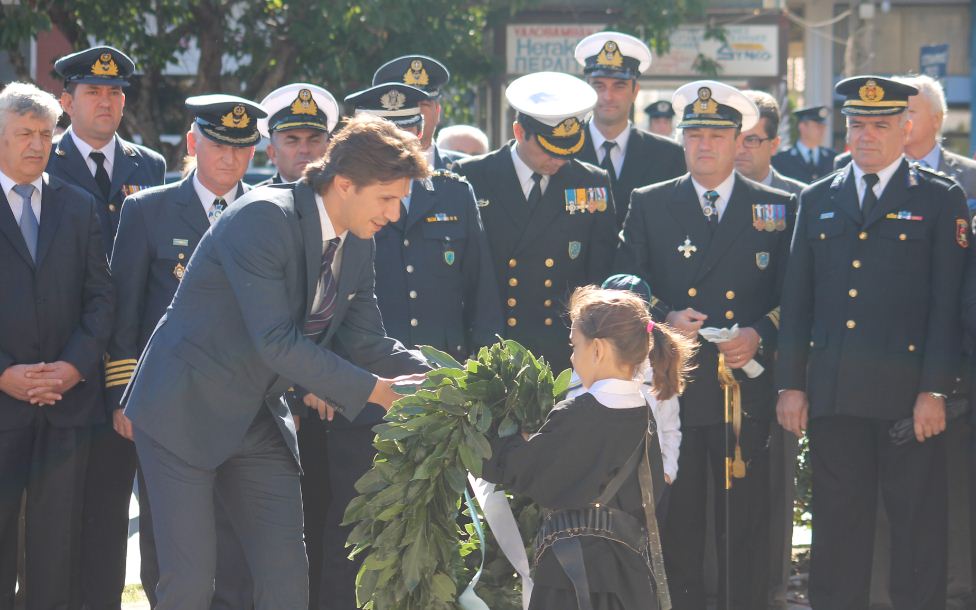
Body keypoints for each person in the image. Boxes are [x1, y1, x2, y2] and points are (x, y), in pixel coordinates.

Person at [123, 115, 429, 609]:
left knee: (286, 579)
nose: (393, 215)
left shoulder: (359, 239)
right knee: (190, 584)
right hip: (183, 410)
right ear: (344, 184)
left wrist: (449, 381)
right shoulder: (264, 216)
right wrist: (376, 391)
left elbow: (369, 342)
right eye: (386, 198)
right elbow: (276, 342)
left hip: (258, 415)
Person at [776, 75, 969, 610]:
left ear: (905, 128)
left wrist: (935, 389)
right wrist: (791, 384)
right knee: (838, 530)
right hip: (836, 396)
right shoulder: (818, 198)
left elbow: (948, 306)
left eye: (880, 125)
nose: (866, 135)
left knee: (917, 531)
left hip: (909, 401)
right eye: (857, 124)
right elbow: (798, 301)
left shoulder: (939, 198)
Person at [314, 82, 502, 609]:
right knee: (353, 532)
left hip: (438, 401)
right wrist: (325, 379)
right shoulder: (341, 204)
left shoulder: (454, 192)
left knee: (435, 537)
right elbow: (330, 312)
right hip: (360, 394)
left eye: (411, 130)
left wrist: (471, 381)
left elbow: (481, 296)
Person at [615, 80, 797, 610]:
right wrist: (665, 318)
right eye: (694, 134)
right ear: (682, 139)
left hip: (745, 388)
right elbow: (627, 284)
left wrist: (760, 333)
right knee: (681, 520)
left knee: (746, 521)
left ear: (740, 141)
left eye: (717, 135)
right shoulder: (650, 203)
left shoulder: (777, 207)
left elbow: (796, 294)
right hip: (678, 387)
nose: (704, 145)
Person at [105, 94, 265, 609]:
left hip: (245, 403)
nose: (230, 158)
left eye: (241, 148)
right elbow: (125, 313)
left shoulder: (270, 210)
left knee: (237, 538)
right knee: (167, 537)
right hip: (166, 403)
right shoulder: (147, 211)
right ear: (193, 144)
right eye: (218, 145)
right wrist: (124, 395)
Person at [483, 285, 695, 610]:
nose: (571, 357)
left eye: (574, 345)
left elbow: (526, 472)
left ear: (597, 349)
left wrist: (481, 434)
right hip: (628, 578)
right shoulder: (643, 414)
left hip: (572, 580)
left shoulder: (578, 413)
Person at [44, 45, 166, 610]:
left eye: (116, 92)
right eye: (93, 91)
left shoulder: (149, 166)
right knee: (50, 518)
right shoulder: (42, 158)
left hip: (125, 369)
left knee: (111, 515)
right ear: (66, 102)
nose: (106, 101)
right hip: (58, 361)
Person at [0, 81, 113, 610]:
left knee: (55, 551)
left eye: (46, 134)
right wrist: (4, 373)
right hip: (2, 403)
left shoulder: (79, 206)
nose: (37, 144)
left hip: (66, 406)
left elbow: (101, 300)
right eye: (24, 133)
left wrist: (72, 368)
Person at [454, 71, 617, 373]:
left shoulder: (591, 182)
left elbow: (599, 269)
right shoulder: (472, 176)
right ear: (519, 132)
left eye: (567, 150)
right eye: (549, 148)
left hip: (563, 348)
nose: (559, 159)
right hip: (495, 343)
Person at [565, 274, 681, 492]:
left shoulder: (658, 372)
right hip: (598, 490)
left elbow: (670, 428)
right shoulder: (583, 370)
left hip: (648, 489)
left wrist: (667, 472)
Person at [573, 31, 686, 229]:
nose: (608, 96)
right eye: (599, 86)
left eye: (619, 86)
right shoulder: (563, 150)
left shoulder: (669, 156)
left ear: (635, 91)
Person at [372, 55, 465, 170]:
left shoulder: (464, 170)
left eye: (423, 105)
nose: (413, 113)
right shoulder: (368, 168)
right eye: (405, 106)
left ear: (437, 111)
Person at [256, 83, 338, 186]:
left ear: (328, 149)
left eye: (314, 140)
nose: (304, 150)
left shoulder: (345, 194)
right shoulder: (256, 196)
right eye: (292, 141)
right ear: (272, 153)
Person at [736, 91, 805, 196]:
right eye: (734, 138)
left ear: (774, 145)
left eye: (751, 140)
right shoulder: (711, 195)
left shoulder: (803, 198)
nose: (740, 149)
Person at [771, 105, 836, 184]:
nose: (822, 130)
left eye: (823, 126)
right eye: (818, 126)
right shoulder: (782, 159)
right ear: (802, 127)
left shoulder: (832, 158)